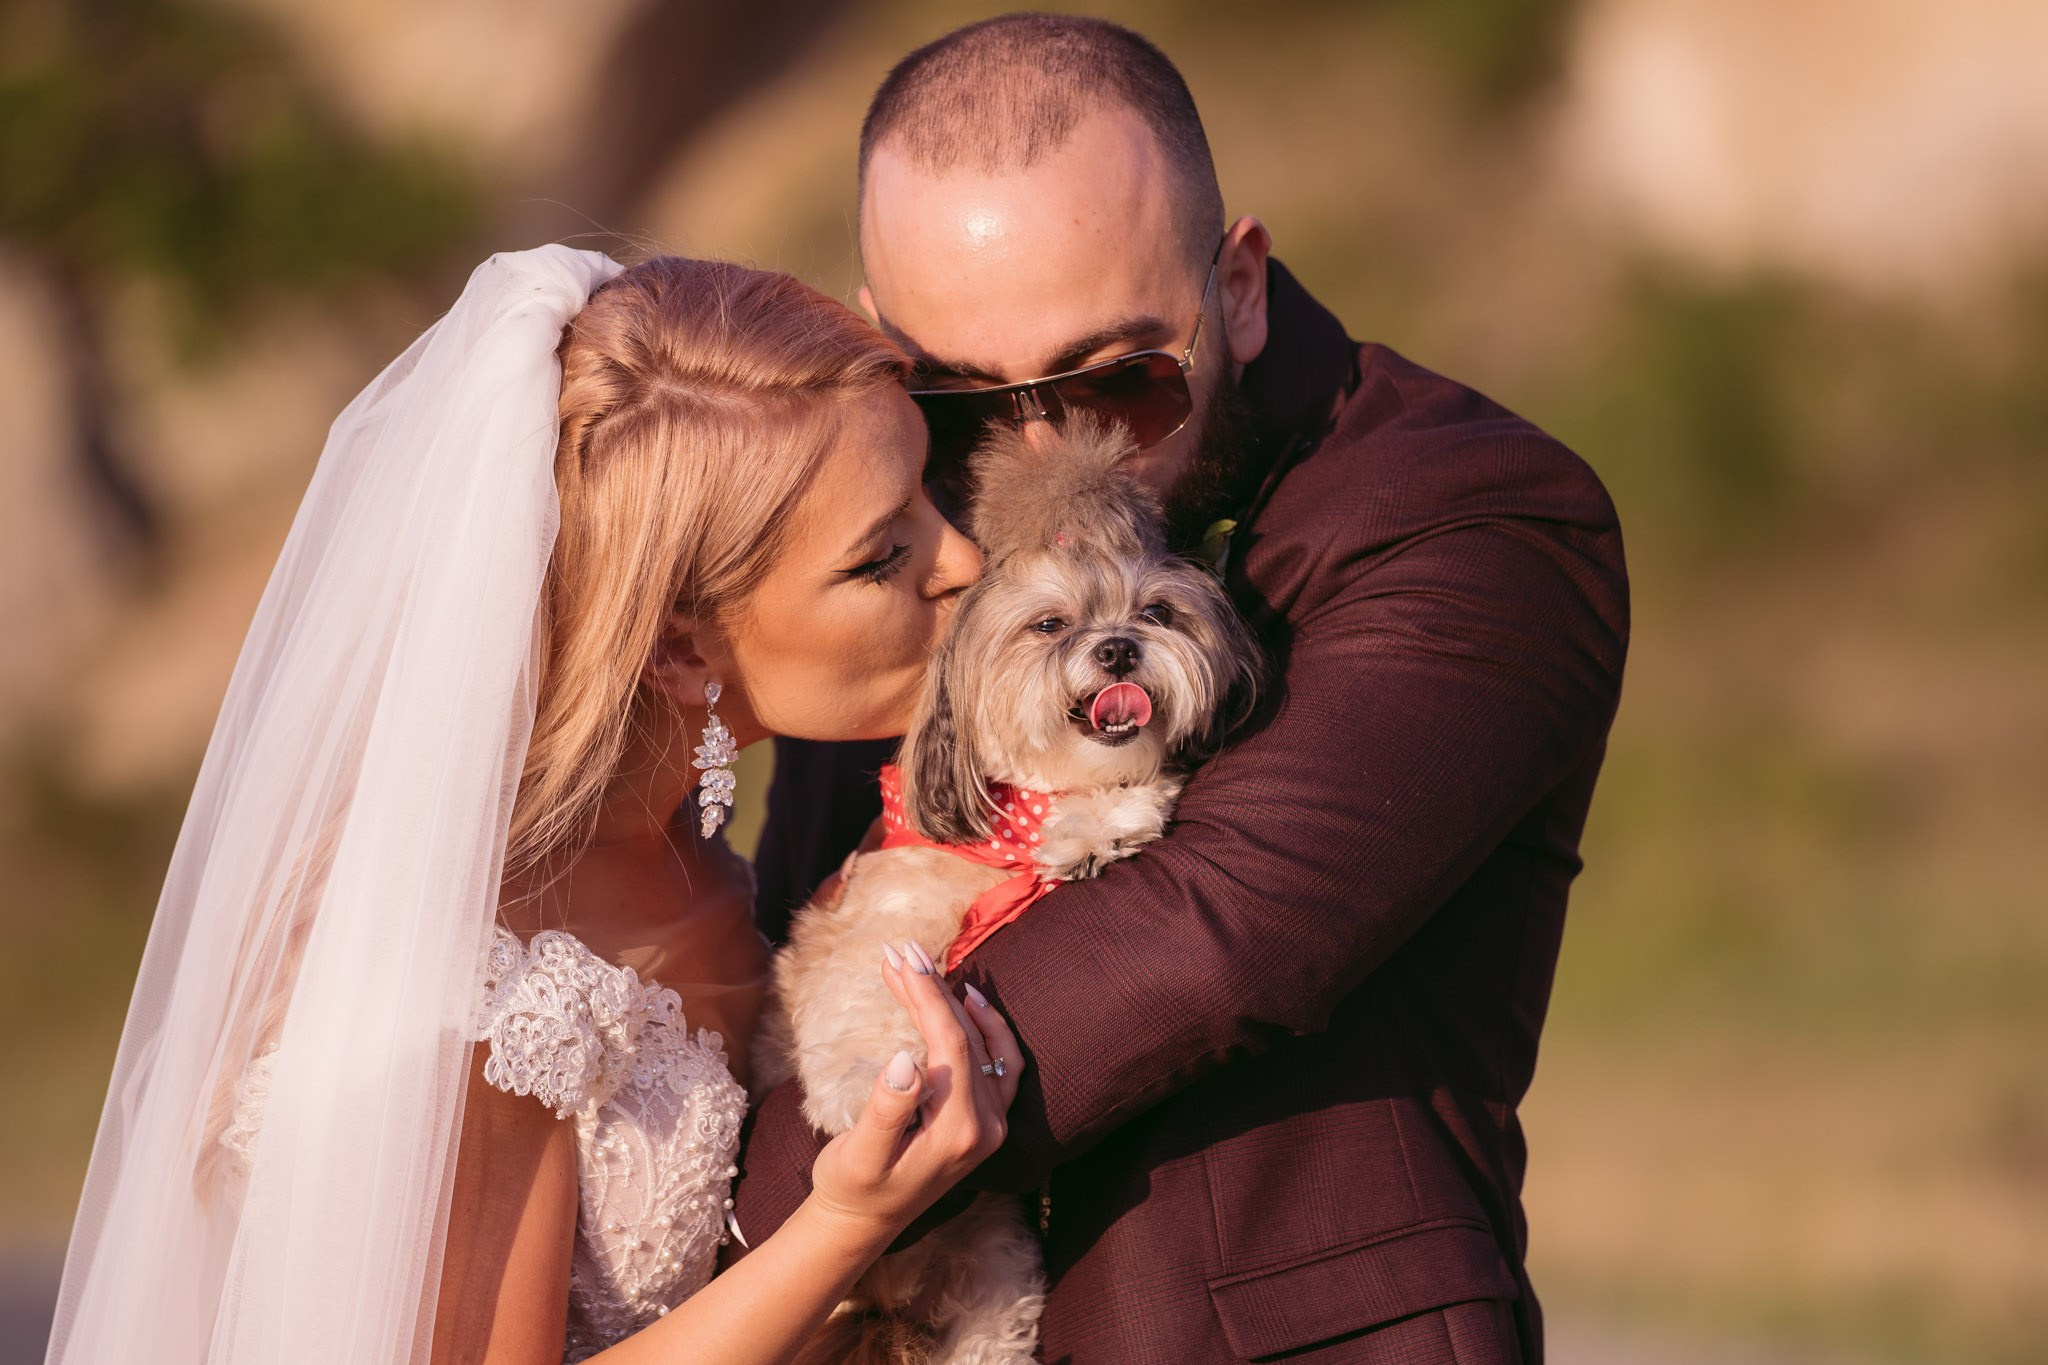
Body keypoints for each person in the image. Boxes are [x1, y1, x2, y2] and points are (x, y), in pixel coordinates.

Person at [733, 15, 1631, 1364]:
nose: (1046, 446)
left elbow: (1215, 939)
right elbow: (804, 911)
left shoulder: (1475, 516)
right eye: (971, 398)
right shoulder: (915, 536)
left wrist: (774, 1216)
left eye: (1121, 382)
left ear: (1243, 285)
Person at [46, 246, 1022, 1365]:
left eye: (928, 494)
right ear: (677, 647)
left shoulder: (671, 845)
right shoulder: (473, 983)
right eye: (881, 554)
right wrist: (850, 1224)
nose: (964, 559)